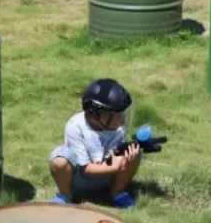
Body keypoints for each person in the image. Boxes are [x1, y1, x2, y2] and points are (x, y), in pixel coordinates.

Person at [48, 78, 141, 209]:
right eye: (118, 114)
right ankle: (66, 196)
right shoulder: (76, 126)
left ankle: (117, 192)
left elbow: (115, 154)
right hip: (80, 180)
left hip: (108, 176)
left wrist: (128, 158)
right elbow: (86, 170)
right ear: (99, 114)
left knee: (134, 150)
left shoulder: (117, 127)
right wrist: (114, 167)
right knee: (59, 159)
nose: (123, 118)